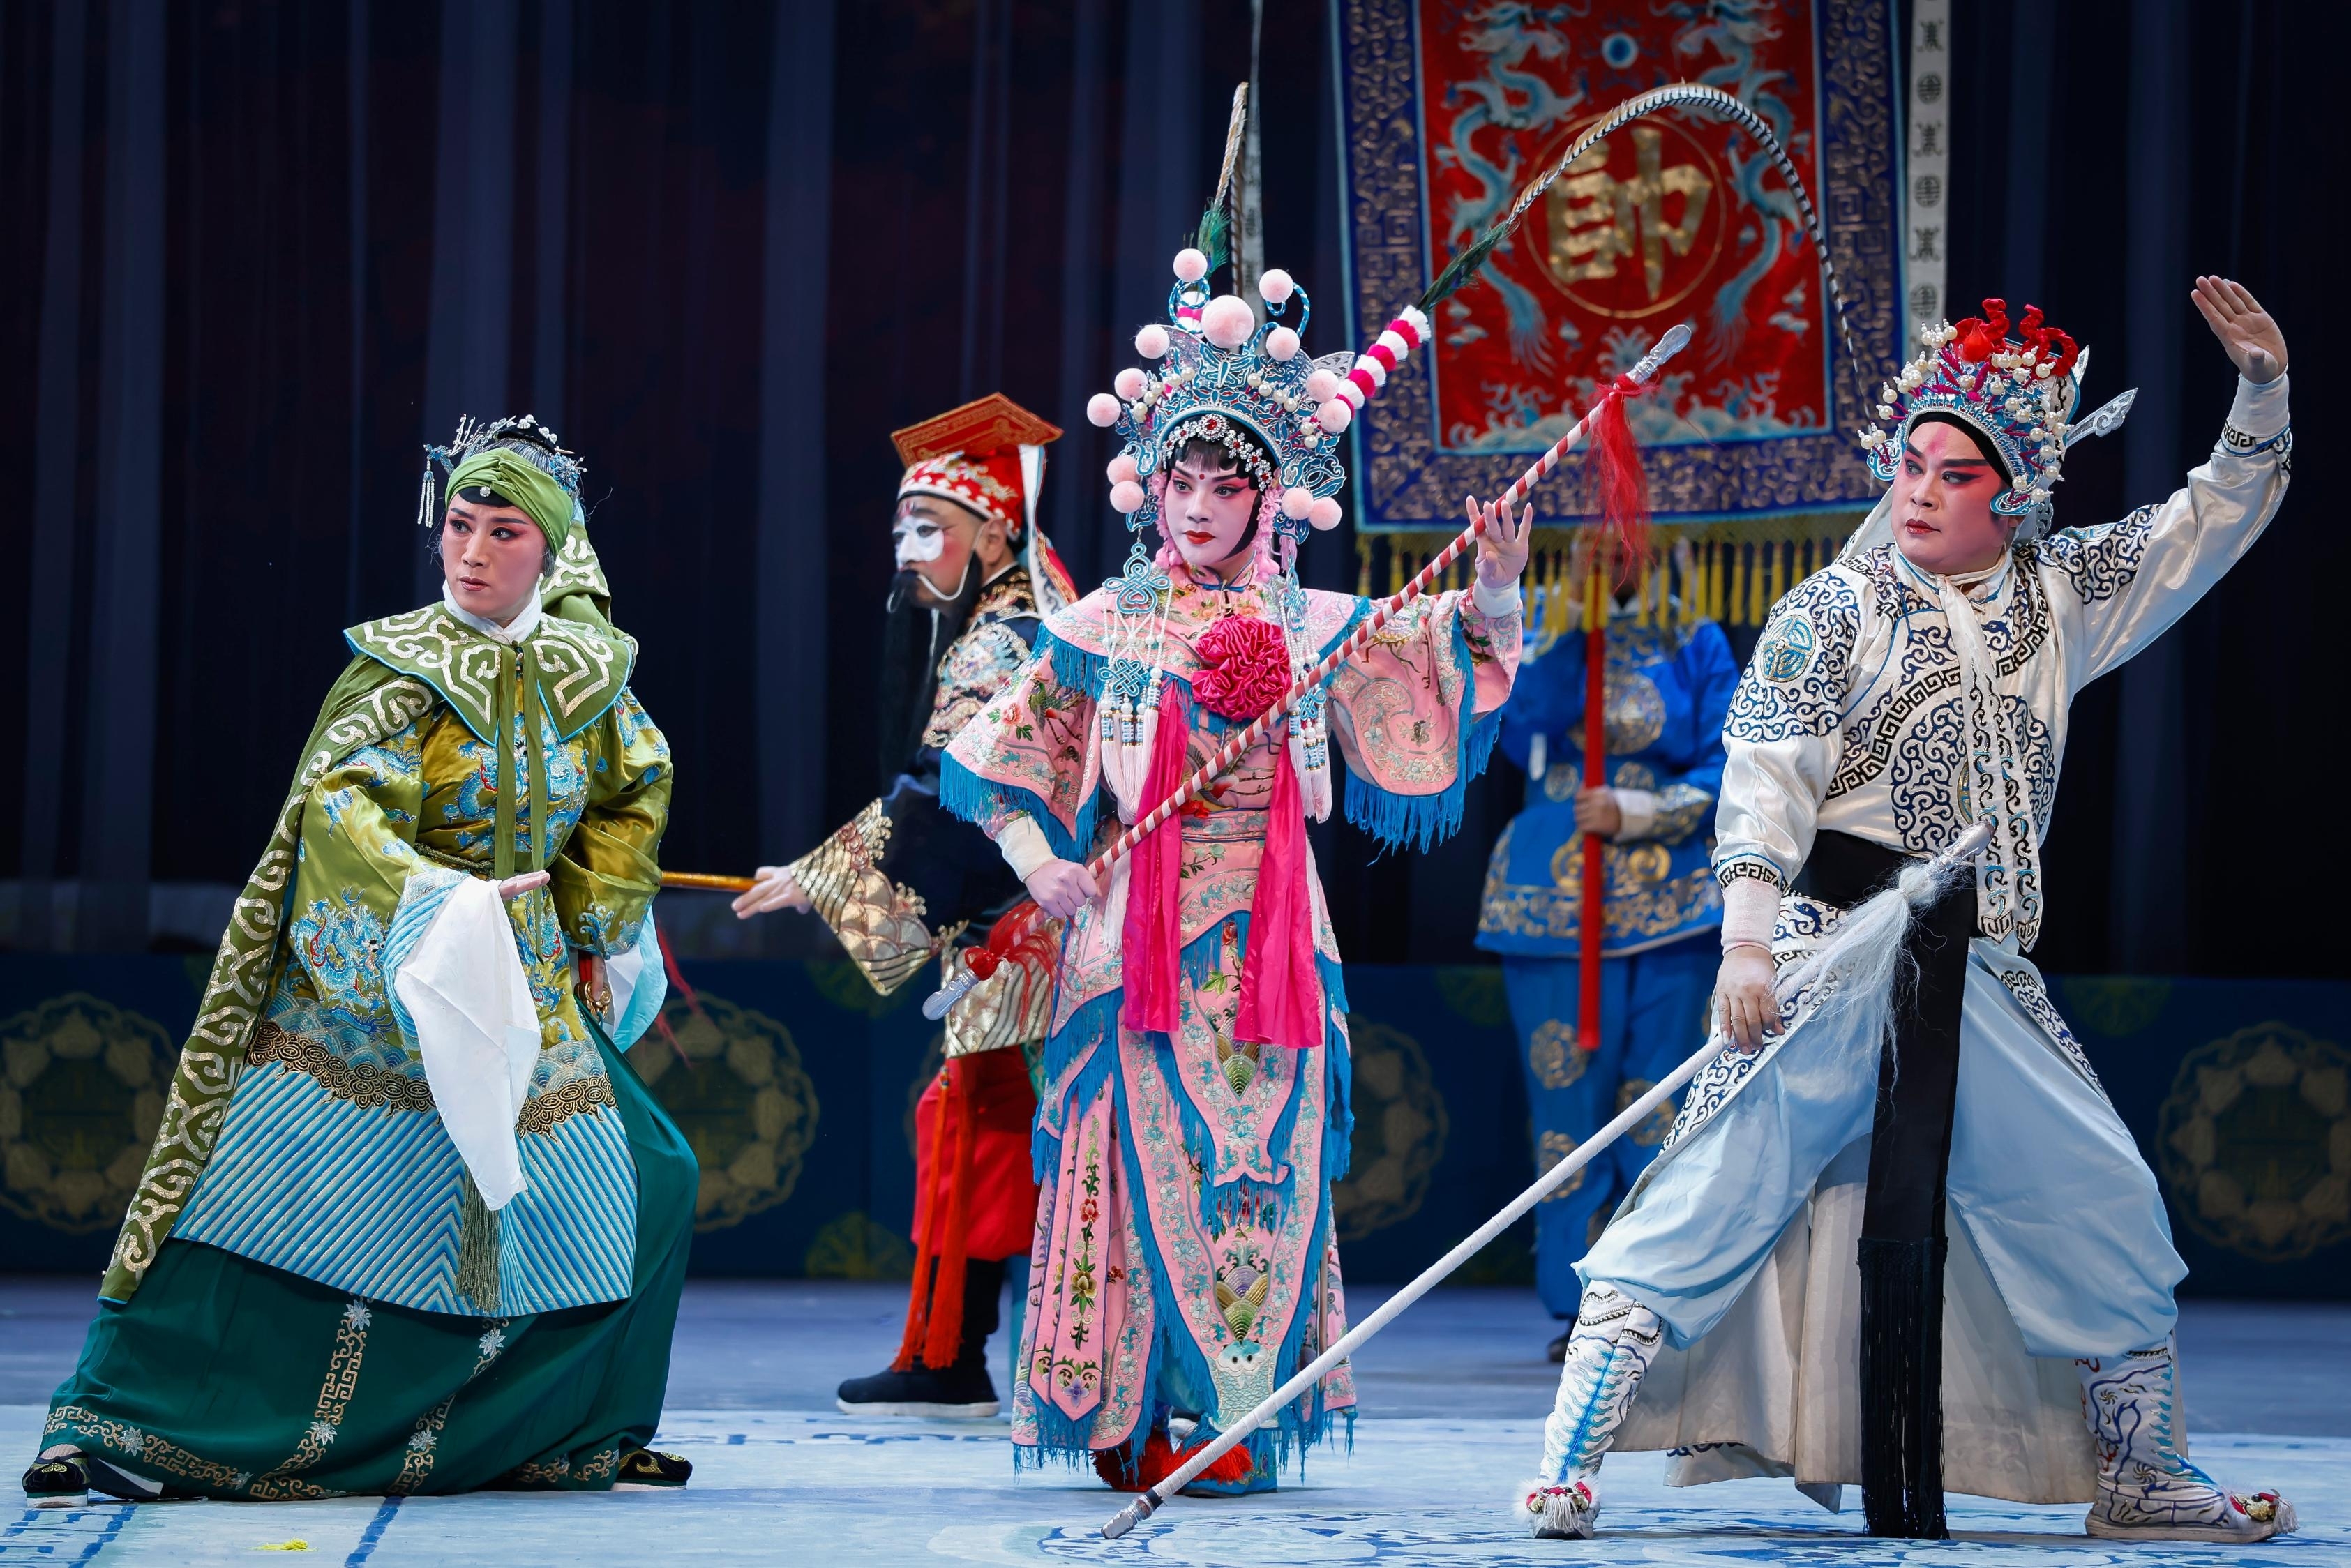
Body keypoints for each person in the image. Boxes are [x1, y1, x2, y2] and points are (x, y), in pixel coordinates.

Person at [1519, 279, 2297, 1544]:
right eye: (1910, 466)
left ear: (2014, 495)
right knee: (1712, 1184)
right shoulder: (1833, 610)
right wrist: (1747, 943)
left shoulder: (2060, 594)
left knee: (2096, 1192)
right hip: (1829, 947)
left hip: (1973, 965)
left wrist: (2259, 393)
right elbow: (1762, 780)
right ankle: (1567, 1461)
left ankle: (2141, 1472)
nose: (1920, 492)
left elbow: (2202, 523)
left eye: (1953, 474)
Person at [23, 416, 696, 1507]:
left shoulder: (588, 680)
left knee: (651, 1177)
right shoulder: (403, 673)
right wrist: (440, 899)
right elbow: (339, 816)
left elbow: (631, 790)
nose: (470, 552)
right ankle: (112, 1417)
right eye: (460, 526)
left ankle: (573, 1430)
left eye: (504, 533)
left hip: (523, 977)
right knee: (267, 1198)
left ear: (553, 552)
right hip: (393, 970)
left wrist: (591, 913)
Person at [941, 245, 1527, 1494]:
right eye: (1180, 482)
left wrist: (1493, 593)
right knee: (1126, 1158)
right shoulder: (1104, 624)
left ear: (1271, 501)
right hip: (1130, 943)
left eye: (1226, 486)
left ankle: (1232, 1409)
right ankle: (1125, 1409)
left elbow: (1447, 676)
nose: (1198, 507)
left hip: (1273, 942)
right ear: (1150, 488)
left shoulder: (1313, 627)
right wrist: (1041, 864)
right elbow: (1001, 757)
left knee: (1255, 1166)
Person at [733, 395, 1076, 1418]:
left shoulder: (999, 641)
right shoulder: (1021, 623)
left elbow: (950, 791)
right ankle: (962, 1355)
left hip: (1032, 925)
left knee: (992, 1125)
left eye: (929, 528)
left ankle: (971, 1358)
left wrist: (825, 875)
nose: (906, 550)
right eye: (899, 531)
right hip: (1026, 921)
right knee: (987, 1120)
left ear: (995, 534)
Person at [1476, 547, 1736, 1355]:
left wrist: (1642, 810)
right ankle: (1578, 1300)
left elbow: (1735, 758)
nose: (1617, 555)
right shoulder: (1540, 633)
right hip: (1550, 900)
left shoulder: (1694, 638)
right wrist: (1569, 632)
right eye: (1599, 542)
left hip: (1674, 903)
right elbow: (1516, 729)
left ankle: (1648, 1298)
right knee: (1565, 1108)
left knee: (1659, 1104)